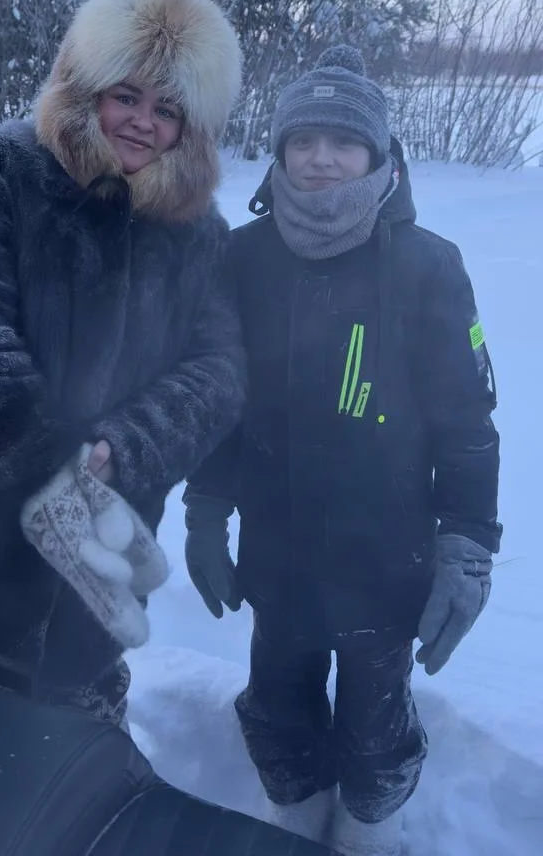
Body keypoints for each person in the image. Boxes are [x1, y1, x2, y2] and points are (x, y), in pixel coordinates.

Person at [0, 0, 246, 724]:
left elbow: (219, 372)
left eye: (167, 109)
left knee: (66, 743)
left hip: (103, 557)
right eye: (126, 96)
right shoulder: (5, 170)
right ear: (87, 88)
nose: (142, 122)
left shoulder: (200, 234)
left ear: (191, 127)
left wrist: (120, 447)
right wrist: (49, 473)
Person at [183, 46, 501, 856]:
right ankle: (294, 815)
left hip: (384, 567)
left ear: (378, 153)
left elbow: (469, 425)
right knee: (278, 708)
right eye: (303, 141)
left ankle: (368, 829)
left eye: (344, 142)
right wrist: (206, 511)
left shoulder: (430, 267)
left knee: (375, 727)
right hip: (277, 558)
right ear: (281, 150)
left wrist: (466, 550)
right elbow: (219, 403)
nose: (321, 158)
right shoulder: (241, 259)